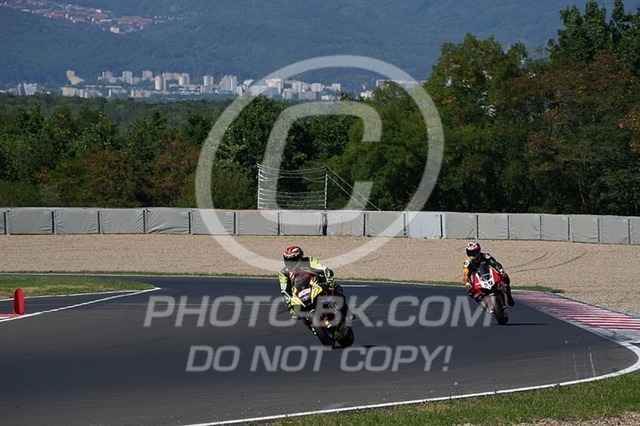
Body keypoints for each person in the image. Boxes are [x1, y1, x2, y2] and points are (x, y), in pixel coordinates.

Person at [278, 245, 349, 321]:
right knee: (294, 314)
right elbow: (284, 290)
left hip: (316, 285)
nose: (290, 263)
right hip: (299, 293)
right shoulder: (283, 273)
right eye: (287, 260)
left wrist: (329, 280)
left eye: (292, 260)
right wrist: (288, 301)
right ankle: (309, 323)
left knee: (336, 289)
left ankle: (346, 313)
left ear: (299, 258)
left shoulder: (309, 261)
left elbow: (323, 269)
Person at [462, 241, 515, 307]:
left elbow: (494, 263)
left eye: (473, 252)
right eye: (469, 252)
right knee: (469, 289)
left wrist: (500, 269)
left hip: (488, 274)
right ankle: (481, 301)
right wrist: (467, 282)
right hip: (477, 279)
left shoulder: (485, 256)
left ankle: (508, 295)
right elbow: (465, 273)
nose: (471, 254)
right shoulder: (467, 262)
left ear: (478, 251)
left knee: (505, 276)